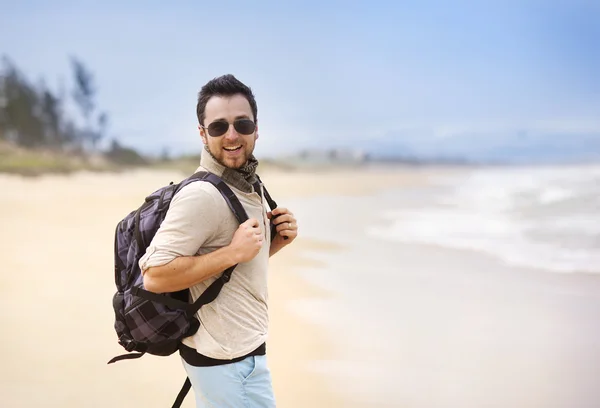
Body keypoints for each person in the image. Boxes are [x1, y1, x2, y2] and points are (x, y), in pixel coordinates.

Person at [138, 74, 298, 407]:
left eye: (242, 124)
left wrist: (272, 244)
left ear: (256, 128)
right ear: (202, 133)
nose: (232, 135)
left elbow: (229, 268)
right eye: (218, 127)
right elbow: (153, 275)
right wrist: (232, 252)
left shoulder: (248, 185)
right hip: (223, 363)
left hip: (246, 354)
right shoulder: (202, 195)